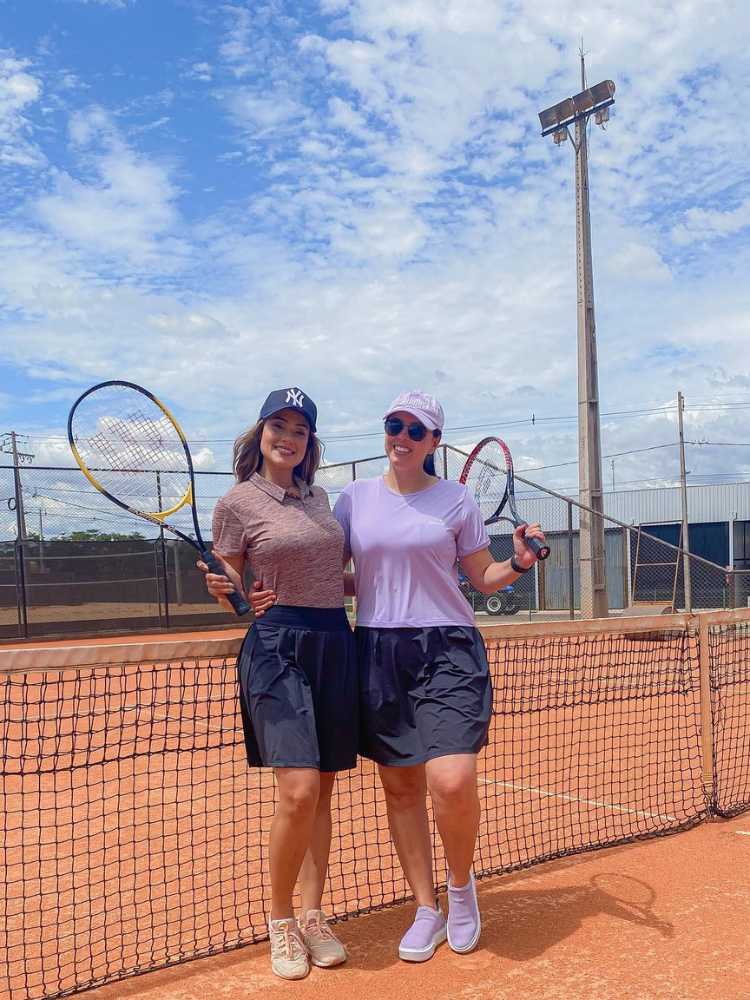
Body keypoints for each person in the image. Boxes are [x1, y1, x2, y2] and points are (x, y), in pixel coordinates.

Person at [206, 390, 546, 963]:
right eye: (395, 424)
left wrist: (518, 562)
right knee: (394, 786)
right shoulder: (350, 500)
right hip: (371, 648)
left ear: (435, 442)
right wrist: (250, 593)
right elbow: (330, 575)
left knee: (451, 780)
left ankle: (460, 890)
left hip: (440, 646)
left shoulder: (453, 501)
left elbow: (480, 579)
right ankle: (423, 907)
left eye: (417, 430)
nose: (403, 436)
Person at [202, 387, 359, 981]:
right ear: (260, 432)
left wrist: (393, 575)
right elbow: (232, 587)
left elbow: (332, 578)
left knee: (321, 788)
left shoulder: (322, 500)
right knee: (296, 789)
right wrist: (226, 593)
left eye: (299, 429)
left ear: (309, 442)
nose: (287, 437)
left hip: (333, 642)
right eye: (278, 425)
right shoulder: (238, 502)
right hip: (275, 646)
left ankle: (315, 916)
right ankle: (280, 921)